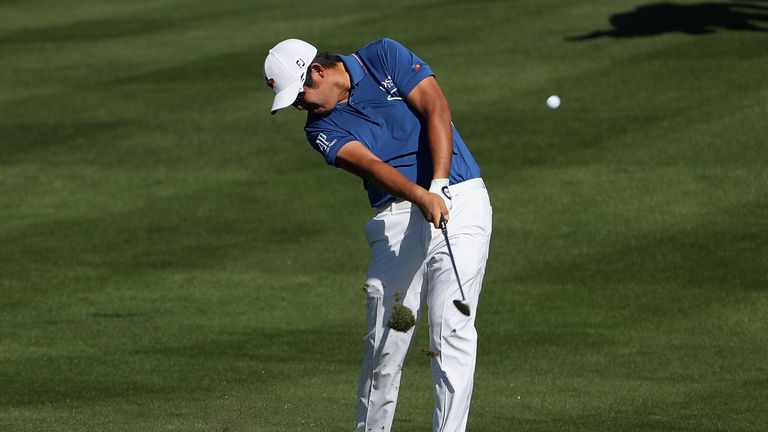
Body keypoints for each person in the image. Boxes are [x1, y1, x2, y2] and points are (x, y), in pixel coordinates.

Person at [263, 38, 492, 432]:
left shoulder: (383, 55)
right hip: (398, 217)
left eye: (299, 95)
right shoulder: (320, 129)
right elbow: (369, 164)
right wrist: (421, 194)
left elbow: (435, 107)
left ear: (317, 71)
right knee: (387, 345)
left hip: (460, 199)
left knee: (450, 327)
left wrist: (437, 185)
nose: (299, 107)